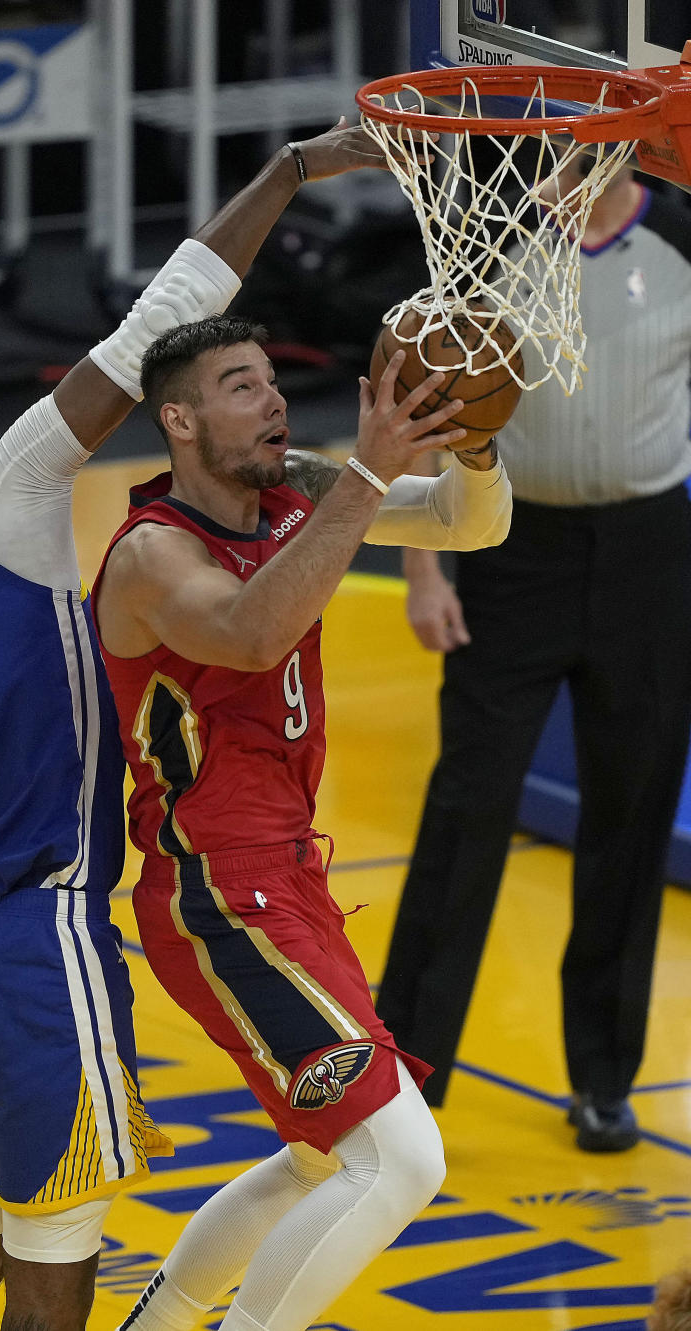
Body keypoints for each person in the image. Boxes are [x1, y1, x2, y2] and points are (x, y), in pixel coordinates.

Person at [0, 126, 400, 1331]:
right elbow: (159, 324)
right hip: (40, 942)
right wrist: (286, 173)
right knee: (51, 1282)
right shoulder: (6, 500)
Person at [90, 315, 513, 1330]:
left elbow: (468, 524)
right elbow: (249, 630)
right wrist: (365, 479)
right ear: (179, 418)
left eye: (276, 380)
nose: (275, 400)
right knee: (405, 1159)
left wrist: (478, 440)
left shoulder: (301, 492)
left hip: (286, 875)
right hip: (215, 891)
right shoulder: (152, 551)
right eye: (243, 385)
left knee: (322, 1157)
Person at [375, 161, 691, 1151]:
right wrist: (426, 575)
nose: (554, 166)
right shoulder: (493, 246)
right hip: (514, 550)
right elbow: (428, 404)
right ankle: (405, 1076)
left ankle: (603, 1075)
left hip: (650, 550)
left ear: (620, 147)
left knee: (631, 811)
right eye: (546, 146)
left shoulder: (681, 237)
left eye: (576, 144)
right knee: (469, 800)